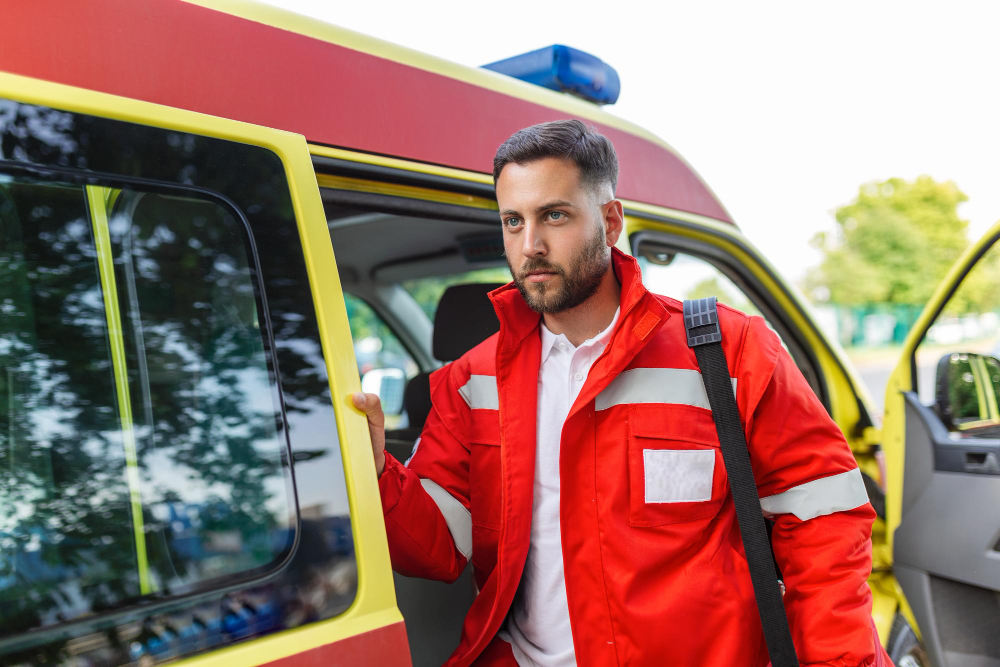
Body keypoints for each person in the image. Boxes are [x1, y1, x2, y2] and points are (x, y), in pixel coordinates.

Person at [353, 120, 891, 666]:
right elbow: (442, 547)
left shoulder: (732, 353)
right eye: (513, 221)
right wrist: (376, 471)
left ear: (610, 222)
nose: (530, 245)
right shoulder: (473, 382)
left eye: (554, 215)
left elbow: (823, 529)